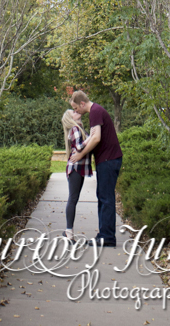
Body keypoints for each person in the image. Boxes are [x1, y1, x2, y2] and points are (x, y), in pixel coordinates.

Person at [69, 89, 122, 247]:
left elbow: (96, 138)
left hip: (108, 159)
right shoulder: (96, 111)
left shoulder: (95, 112)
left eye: (76, 108)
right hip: (107, 159)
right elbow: (93, 137)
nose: (76, 111)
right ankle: (104, 234)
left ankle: (107, 237)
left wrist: (80, 155)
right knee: (103, 197)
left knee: (106, 198)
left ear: (82, 103)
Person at [61, 108, 92, 241]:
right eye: (73, 111)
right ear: (70, 118)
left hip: (79, 168)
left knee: (74, 198)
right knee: (73, 198)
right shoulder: (74, 129)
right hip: (75, 168)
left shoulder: (79, 129)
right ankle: (69, 232)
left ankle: (67, 231)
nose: (77, 111)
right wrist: (91, 137)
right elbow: (79, 146)